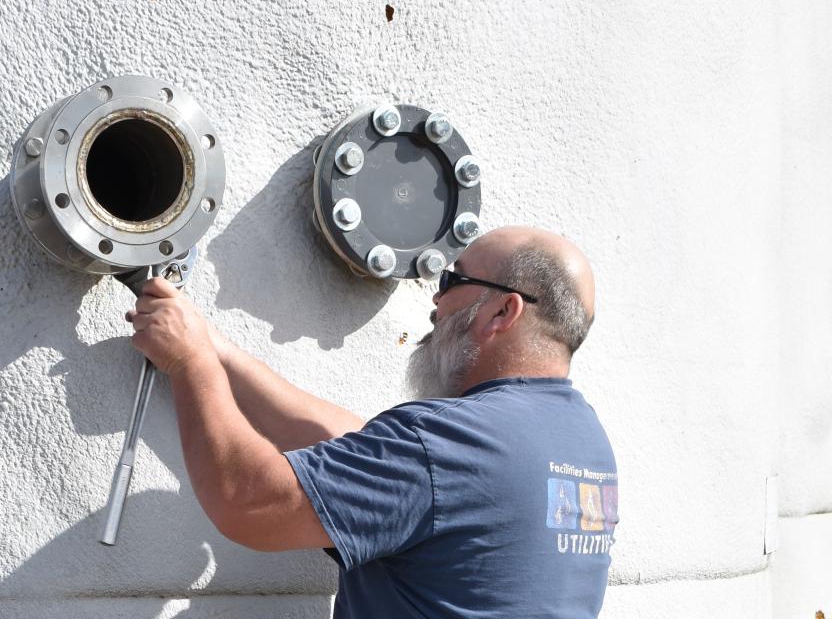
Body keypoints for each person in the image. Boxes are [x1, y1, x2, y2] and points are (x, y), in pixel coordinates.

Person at [126, 226, 617, 618]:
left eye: (452, 281)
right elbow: (369, 453)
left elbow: (249, 501)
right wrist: (217, 348)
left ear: (503, 310)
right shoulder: (583, 440)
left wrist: (190, 362)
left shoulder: (447, 445)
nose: (435, 301)